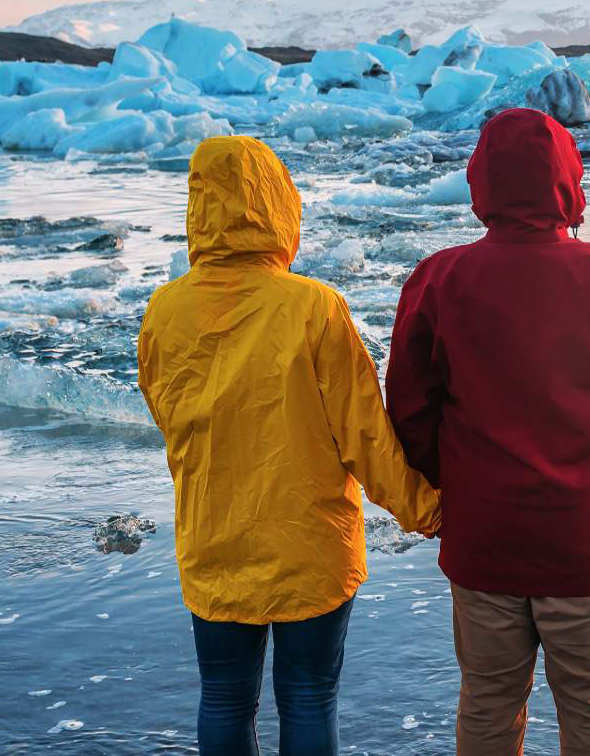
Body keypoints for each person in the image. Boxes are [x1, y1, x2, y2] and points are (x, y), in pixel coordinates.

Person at [386, 108, 590, 756]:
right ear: (569, 181)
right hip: (589, 542)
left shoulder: (439, 280)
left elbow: (410, 411)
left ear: (481, 183)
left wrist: (453, 494)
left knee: (489, 708)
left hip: (484, 542)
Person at [137, 135, 442, 756]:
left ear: (197, 206)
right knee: (307, 695)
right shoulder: (314, 307)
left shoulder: (164, 310)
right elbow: (364, 435)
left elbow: (167, 413)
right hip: (309, 544)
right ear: (279, 204)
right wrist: (427, 509)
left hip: (214, 535)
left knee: (223, 696)